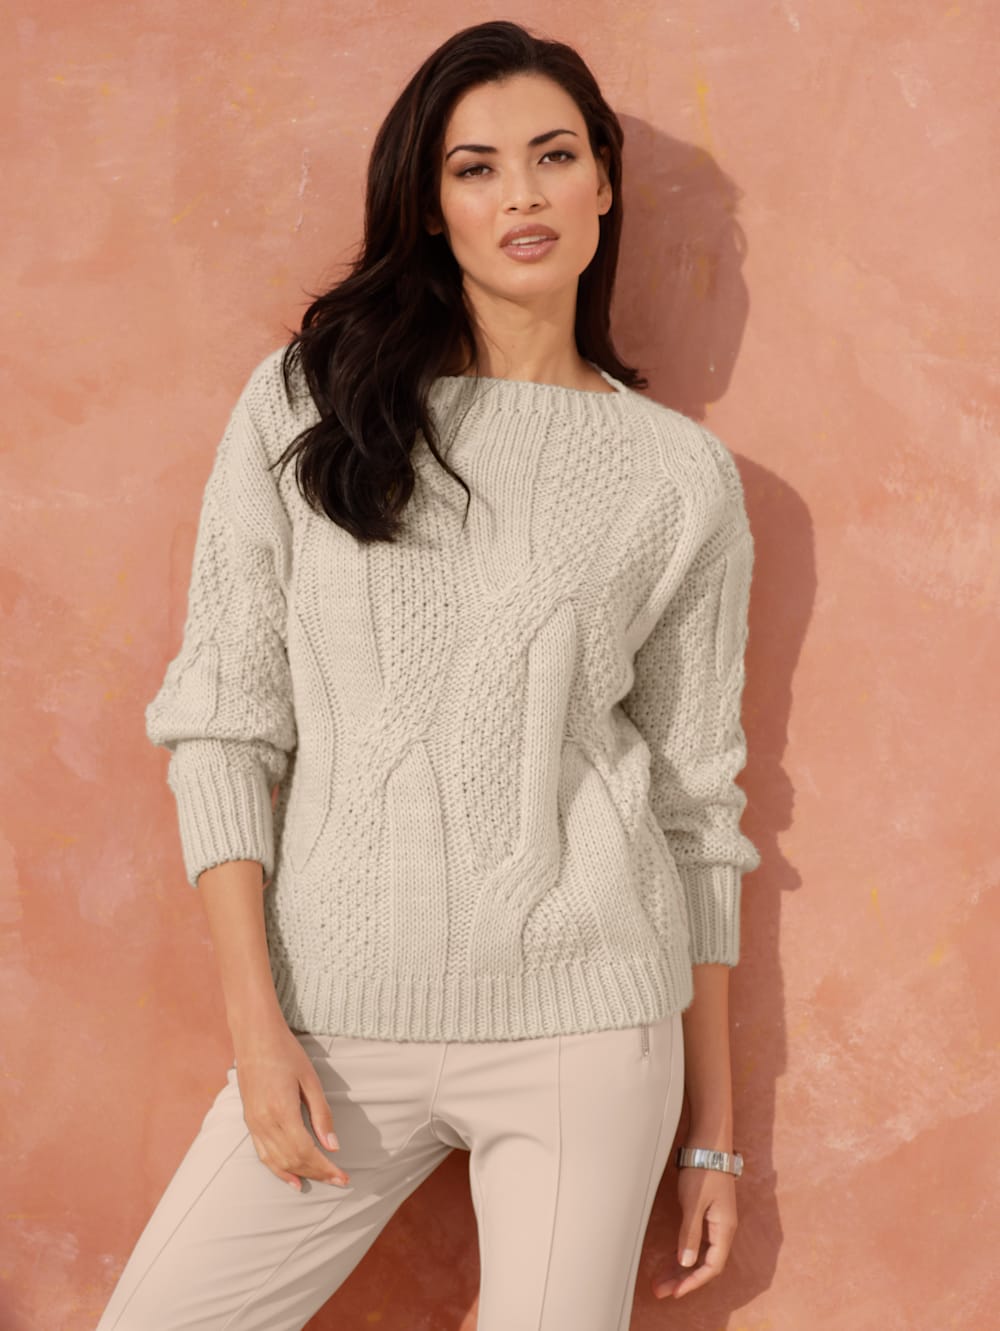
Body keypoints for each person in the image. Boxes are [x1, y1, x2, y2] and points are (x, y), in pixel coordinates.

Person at [96, 18, 761, 1331]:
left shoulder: (680, 477)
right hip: (333, 1022)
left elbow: (698, 810)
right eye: (475, 168)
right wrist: (257, 1029)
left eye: (554, 156)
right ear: (427, 202)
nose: (521, 196)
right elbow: (224, 726)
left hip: (587, 1025)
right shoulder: (307, 403)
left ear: (603, 182)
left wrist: (715, 1137)